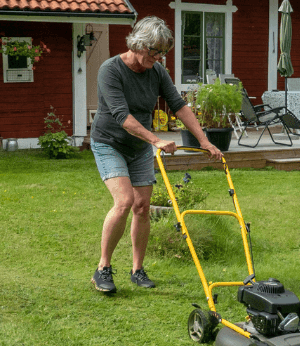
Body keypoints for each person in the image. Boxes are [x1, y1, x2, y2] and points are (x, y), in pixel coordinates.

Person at [90, 16, 223, 294]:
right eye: (154, 51)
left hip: (138, 147)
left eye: (163, 52)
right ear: (138, 45)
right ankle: (103, 268)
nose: (159, 57)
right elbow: (121, 116)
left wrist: (205, 141)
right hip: (109, 142)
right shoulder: (110, 70)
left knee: (142, 207)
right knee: (125, 201)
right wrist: (156, 139)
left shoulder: (157, 72)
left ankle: (137, 270)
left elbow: (179, 105)